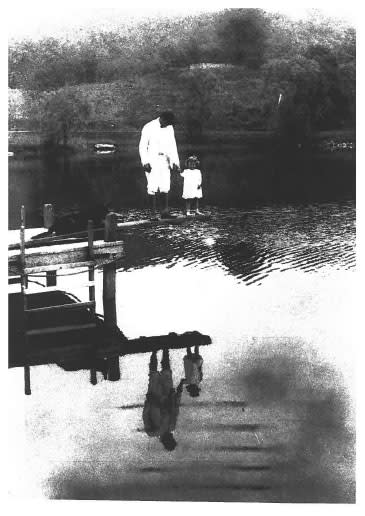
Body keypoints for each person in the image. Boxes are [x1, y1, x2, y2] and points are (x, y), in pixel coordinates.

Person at [139, 111, 180, 219]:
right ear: (162, 118)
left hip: (165, 160)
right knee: (152, 187)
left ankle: (164, 212)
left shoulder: (170, 128)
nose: (169, 125)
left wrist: (175, 162)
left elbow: (173, 146)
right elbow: (142, 146)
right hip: (152, 160)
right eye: (168, 122)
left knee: (165, 186)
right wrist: (145, 162)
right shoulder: (149, 127)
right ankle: (152, 214)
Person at [143, 349, 185, 451]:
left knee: (154, 374)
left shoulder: (152, 432)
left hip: (154, 398)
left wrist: (148, 402)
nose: (171, 437)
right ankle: (165, 350)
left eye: (170, 439)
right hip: (167, 395)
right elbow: (175, 410)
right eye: (172, 438)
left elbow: (145, 416)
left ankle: (154, 352)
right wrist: (179, 392)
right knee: (165, 371)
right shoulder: (171, 427)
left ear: (166, 441)